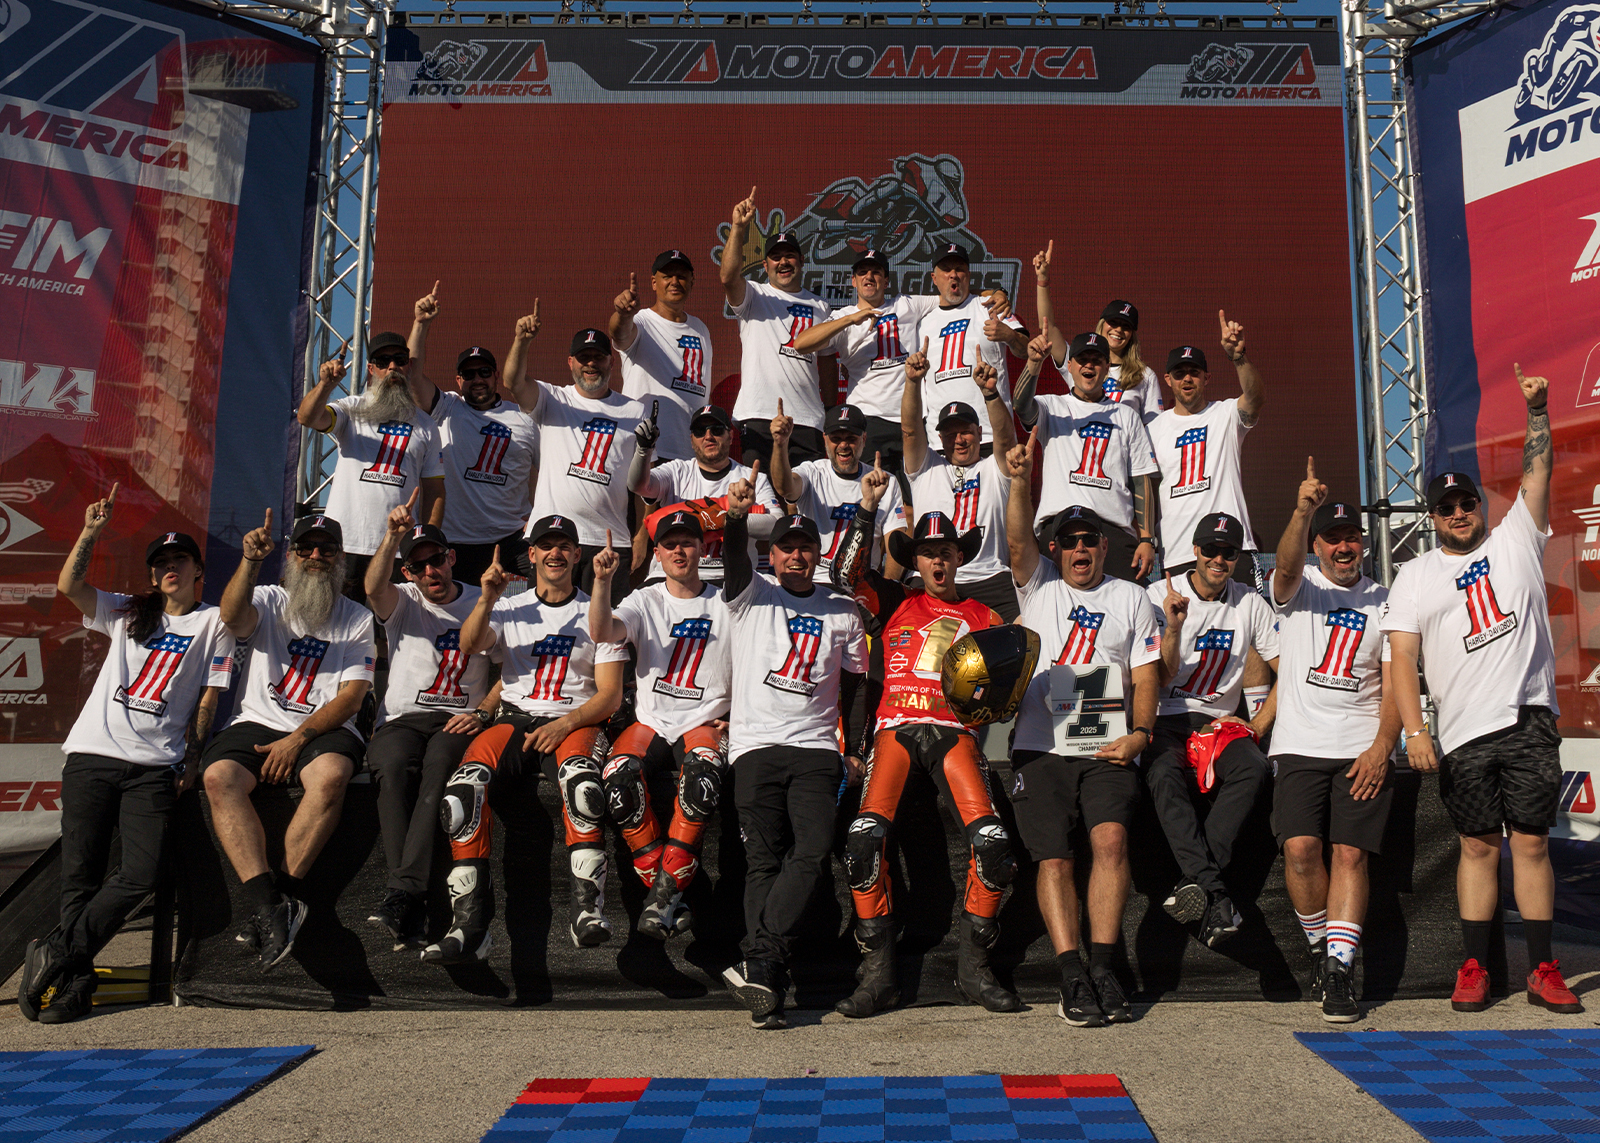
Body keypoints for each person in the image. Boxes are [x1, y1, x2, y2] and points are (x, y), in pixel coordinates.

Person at [1382, 364, 1581, 1015]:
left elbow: (1539, 468)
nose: (1459, 512)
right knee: (1475, 845)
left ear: (1480, 504)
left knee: (1529, 842)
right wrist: (1414, 730)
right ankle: (1471, 965)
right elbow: (1401, 656)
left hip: (1527, 718)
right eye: (1445, 506)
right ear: (1433, 515)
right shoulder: (1415, 575)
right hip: (1463, 730)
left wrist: (1539, 410)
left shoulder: (1517, 535)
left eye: (1466, 501)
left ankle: (1543, 967)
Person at [18, 494, 233, 1024]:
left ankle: (56, 951)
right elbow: (70, 587)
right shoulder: (129, 608)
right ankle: (74, 985)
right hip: (92, 754)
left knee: (140, 874)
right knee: (81, 877)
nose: (167, 569)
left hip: (154, 768)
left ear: (197, 570)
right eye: (159, 563)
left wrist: (192, 758)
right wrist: (91, 530)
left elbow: (210, 695)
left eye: (177, 560)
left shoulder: (214, 625)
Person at [830, 473, 1019, 1018]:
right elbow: (844, 574)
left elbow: (1000, 699)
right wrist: (866, 510)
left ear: (960, 557)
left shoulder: (986, 618)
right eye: (928, 553)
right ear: (916, 559)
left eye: (946, 553)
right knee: (864, 842)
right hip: (892, 729)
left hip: (954, 735)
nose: (938, 562)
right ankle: (878, 976)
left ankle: (975, 971)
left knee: (992, 843)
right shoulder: (893, 600)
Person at [1002, 432, 1162, 1028]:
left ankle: (1102, 967)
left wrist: (1142, 734)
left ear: (1103, 547)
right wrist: (1019, 479)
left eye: (1088, 540)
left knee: (1111, 843)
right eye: (1067, 542)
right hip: (1040, 745)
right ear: (1056, 549)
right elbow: (1018, 540)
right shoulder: (1037, 586)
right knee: (1055, 861)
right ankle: (1070, 973)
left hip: (1106, 743)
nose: (1079, 550)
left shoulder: (1132, 597)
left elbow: (1147, 676)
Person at [428, 515, 627, 961]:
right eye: (545, 545)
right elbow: (470, 644)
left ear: (578, 554)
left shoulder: (598, 611)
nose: (555, 553)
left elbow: (610, 696)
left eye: (564, 546)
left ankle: (588, 912)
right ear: (531, 554)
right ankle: (471, 927)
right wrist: (486, 598)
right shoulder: (509, 606)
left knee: (582, 786)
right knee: (462, 793)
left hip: (574, 720)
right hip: (515, 720)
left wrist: (565, 724)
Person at [719, 472, 868, 1029]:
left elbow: (855, 687)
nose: (796, 556)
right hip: (755, 745)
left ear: (818, 552)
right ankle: (769, 986)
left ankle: (760, 961)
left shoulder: (843, 609)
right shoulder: (750, 595)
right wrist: (736, 518)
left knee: (811, 849)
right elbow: (736, 556)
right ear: (773, 554)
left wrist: (853, 748)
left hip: (813, 748)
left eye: (806, 547)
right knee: (763, 861)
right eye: (786, 547)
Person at [200, 512, 375, 970]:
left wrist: (298, 738)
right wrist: (249, 562)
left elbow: (353, 697)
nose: (316, 556)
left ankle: (284, 897)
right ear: (292, 555)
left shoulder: (357, 617)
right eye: (306, 548)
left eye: (327, 549)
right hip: (257, 719)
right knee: (218, 777)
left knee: (333, 773)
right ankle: (268, 906)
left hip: (323, 725)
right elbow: (231, 616)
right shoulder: (269, 597)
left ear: (340, 559)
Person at [1269, 460, 1400, 1023]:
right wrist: (1303, 510)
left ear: (1364, 545)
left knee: (1349, 854)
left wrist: (1382, 746)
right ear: (1319, 546)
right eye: (1332, 538)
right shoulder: (1299, 588)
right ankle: (1324, 950)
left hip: (1359, 747)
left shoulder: (1389, 600)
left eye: (1352, 538)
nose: (1342, 548)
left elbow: (1397, 682)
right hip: (1299, 743)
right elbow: (1282, 564)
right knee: (1299, 852)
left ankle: (1342, 969)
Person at [361, 495, 500, 949]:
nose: (429, 573)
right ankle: (411, 896)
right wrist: (391, 537)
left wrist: (482, 712)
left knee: (440, 767)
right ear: (407, 573)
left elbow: (514, 672)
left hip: (456, 722)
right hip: (402, 720)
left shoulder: (485, 601)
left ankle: (403, 894)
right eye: (417, 567)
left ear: (451, 558)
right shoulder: (402, 601)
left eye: (436, 560)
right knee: (394, 767)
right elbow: (370, 587)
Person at [589, 512, 731, 939]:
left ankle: (664, 897)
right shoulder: (644, 598)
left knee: (702, 779)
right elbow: (602, 632)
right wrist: (601, 582)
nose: (679, 551)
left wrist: (740, 713)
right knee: (615, 778)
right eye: (670, 544)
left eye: (688, 542)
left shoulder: (729, 602)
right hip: (653, 721)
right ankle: (667, 891)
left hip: (706, 720)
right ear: (658, 554)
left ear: (703, 550)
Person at [1143, 513, 1279, 947]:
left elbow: (1293, 671)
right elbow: (1158, 679)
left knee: (1254, 768)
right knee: (1162, 774)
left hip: (1219, 722)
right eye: (1212, 551)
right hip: (1166, 715)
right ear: (1195, 552)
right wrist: (1174, 630)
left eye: (1229, 553)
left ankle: (1194, 884)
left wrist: (1256, 725)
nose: (1220, 560)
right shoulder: (1156, 597)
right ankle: (1215, 892)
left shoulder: (1250, 603)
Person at [504, 321, 654, 604]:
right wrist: (521, 341)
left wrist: (642, 535)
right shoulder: (552, 399)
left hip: (610, 542)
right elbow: (513, 382)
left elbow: (645, 484)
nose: (591, 364)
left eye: (598, 357)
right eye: (584, 358)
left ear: (611, 362)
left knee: (606, 632)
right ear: (570, 362)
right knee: (549, 627)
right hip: (554, 540)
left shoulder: (636, 411)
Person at [404, 281, 540, 586]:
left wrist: (540, 514)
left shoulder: (524, 418)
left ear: (496, 375)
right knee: (457, 618)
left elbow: (551, 473)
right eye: (468, 374)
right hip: (456, 541)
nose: (476, 379)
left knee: (549, 587)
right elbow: (411, 376)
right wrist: (421, 324)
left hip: (513, 538)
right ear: (457, 379)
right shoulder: (448, 407)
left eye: (483, 372)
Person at [296, 335, 446, 597]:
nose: (392, 367)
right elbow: (307, 417)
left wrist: (428, 539)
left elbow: (435, 490)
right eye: (382, 361)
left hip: (398, 548)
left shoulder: (426, 425)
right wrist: (324, 385)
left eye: (399, 360)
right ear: (370, 368)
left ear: (408, 366)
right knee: (337, 629)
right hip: (344, 546)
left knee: (390, 633)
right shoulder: (352, 409)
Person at [1013, 330, 1159, 584]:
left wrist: (1147, 539)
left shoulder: (1126, 416)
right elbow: (1022, 406)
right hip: (1059, 528)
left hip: (1111, 531)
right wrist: (1033, 364)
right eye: (1082, 359)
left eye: (1096, 360)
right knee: (1050, 612)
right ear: (1070, 366)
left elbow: (1141, 479)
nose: (1088, 365)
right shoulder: (1052, 406)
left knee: (1129, 609)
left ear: (1106, 369)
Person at [787, 249, 937, 474]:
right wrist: (850, 319)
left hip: (913, 417)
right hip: (868, 419)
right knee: (875, 494)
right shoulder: (843, 317)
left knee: (915, 496)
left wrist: (994, 293)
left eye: (876, 272)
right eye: (862, 272)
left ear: (886, 280)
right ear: (853, 281)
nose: (869, 277)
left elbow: (952, 297)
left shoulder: (907, 304)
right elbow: (801, 343)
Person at [720, 187, 839, 466]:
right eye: (776, 257)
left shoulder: (821, 307)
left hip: (808, 419)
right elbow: (727, 277)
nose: (783, 262)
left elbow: (828, 364)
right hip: (760, 416)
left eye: (790, 256)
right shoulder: (753, 295)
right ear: (765, 265)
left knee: (803, 504)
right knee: (762, 503)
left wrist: (831, 411)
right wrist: (738, 228)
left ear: (801, 262)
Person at [902, 342, 1020, 620]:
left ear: (980, 432)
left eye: (965, 431)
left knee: (1021, 632)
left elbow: (1006, 439)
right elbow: (909, 430)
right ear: (940, 438)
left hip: (988, 577)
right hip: (930, 577)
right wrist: (912, 382)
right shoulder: (926, 467)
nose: (958, 440)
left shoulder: (995, 469)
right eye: (950, 434)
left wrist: (990, 393)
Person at [1145, 313, 1266, 583]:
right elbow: (1145, 492)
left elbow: (1255, 399)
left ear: (1206, 378)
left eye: (1194, 373)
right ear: (1167, 379)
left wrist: (1238, 356)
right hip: (1176, 552)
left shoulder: (1225, 414)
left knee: (1244, 625)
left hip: (1232, 548)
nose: (1187, 379)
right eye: (1179, 373)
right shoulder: (1152, 430)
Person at [630, 403, 782, 586]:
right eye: (700, 431)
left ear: (731, 436)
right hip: (671, 577)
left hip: (730, 578)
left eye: (716, 430)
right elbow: (638, 485)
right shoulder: (677, 471)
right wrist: (643, 450)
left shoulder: (750, 477)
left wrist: (725, 520)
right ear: (692, 440)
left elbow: (776, 525)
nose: (708, 436)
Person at [769, 401, 908, 585]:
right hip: (814, 583)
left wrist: (888, 589)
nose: (843, 445)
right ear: (825, 439)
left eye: (851, 438)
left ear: (864, 439)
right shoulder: (813, 472)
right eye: (836, 438)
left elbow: (896, 544)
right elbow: (785, 488)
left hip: (862, 588)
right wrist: (780, 444)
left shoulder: (885, 482)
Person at [1030, 246, 1162, 424]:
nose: (1118, 330)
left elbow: (1153, 428)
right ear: (1102, 324)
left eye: (1126, 326)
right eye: (1113, 323)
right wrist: (1042, 279)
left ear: (1132, 335)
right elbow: (1048, 326)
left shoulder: (1145, 376)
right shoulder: (1080, 362)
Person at [611, 251, 715, 463]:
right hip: (647, 451)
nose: (675, 282)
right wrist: (623, 315)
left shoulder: (700, 329)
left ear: (692, 282)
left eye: (681, 276)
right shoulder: (640, 322)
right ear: (654, 282)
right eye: (667, 276)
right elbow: (619, 335)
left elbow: (702, 390)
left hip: (690, 455)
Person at [916, 243, 1021, 449]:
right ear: (934, 278)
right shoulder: (921, 319)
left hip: (992, 435)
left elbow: (1025, 350)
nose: (953, 275)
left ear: (968, 275)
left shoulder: (991, 307)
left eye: (959, 269)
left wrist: (1010, 336)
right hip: (941, 439)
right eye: (946, 269)